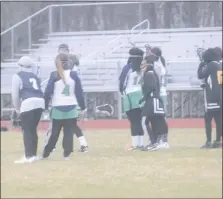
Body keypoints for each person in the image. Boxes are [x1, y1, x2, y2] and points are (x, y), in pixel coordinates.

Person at [42, 53, 86, 159]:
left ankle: (46, 153)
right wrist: (83, 106)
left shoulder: (54, 75)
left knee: (54, 133)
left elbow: (48, 92)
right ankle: (66, 154)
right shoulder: (74, 75)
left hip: (57, 108)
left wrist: (45, 105)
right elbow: (79, 92)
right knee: (68, 133)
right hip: (71, 108)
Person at [12, 56, 44, 163]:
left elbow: (15, 95)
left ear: (20, 65)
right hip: (40, 103)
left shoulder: (17, 76)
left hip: (28, 103)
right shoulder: (35, 76)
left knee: (27, 130)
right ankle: (33, 155)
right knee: (33, 130)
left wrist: (17, 108)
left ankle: (28, 156)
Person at [139, 55, 169, 151]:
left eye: (143, 64)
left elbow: (151, 87)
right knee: (151, 121)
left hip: (153, 100)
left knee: (151, 121)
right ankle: (155, 141)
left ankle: (159, 142)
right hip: (152, 100)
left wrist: (144, 98)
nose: (141, 67)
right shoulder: (150, 73)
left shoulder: (149, 74)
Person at [119, 47, 144, 150]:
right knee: (139, 120)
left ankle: (134, 144)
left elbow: (122, 82)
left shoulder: (127, 68)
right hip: (141, 94)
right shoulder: (143, 67)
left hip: (130, 95)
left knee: (133, 121)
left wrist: (122, 91)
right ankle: (140, 143)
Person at [197, 48, 222, 148]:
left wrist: (201, 65)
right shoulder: (219, 65)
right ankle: (218, 141)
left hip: (211, 97)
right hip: (219, 97)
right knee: (219, 121)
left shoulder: (211, 65)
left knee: (208, 120)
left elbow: (201, 75)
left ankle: (208, 141)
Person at [151, 47, 169, 146]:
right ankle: (160, 139)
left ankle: (163, 140)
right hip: (162, 92)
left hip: (159, 92)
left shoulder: (157, 66)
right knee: (160, 117)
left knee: (160, 117)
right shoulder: (160, 63)